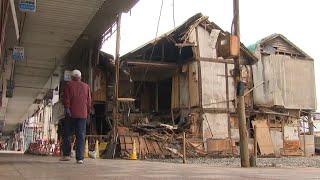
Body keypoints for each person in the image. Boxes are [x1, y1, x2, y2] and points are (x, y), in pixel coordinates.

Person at [60, 69, 91, 164]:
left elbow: (66, 98)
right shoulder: (86, 86)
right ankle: (80, 158)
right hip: (83, 114)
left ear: (72, 77)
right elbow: (89, 101)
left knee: (67, 134)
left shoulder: (68, 84)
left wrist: (67, 108)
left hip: (71, 114)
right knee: (81, 136)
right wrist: (88, 112)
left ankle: (66, 155)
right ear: (80, 77)